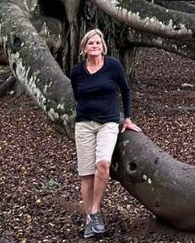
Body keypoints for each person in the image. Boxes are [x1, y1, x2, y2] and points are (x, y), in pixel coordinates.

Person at [69, 29, 141, 238]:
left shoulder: (113, 66)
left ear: (103, 46)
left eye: (98, 43)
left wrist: (127, 118)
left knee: (102, 165)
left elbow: (125, 90)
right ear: (84, 48)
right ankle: (89, 221)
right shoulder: (77, 72)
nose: (95, 46)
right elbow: (77, 94)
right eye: (91, 43)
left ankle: (95, 210)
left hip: (108, 123)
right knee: (86, 175)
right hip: (83, 124)